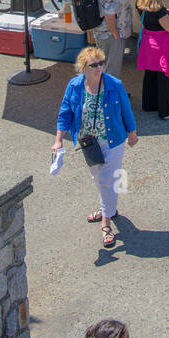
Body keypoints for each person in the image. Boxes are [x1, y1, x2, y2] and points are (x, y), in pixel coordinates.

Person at [53, 45, 139, 249]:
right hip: (88, 142)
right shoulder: (74, 86)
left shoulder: (113, 84)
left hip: (113, 140)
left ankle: (106, 223)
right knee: (98, 178)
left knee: (108, 180)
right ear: (83, 67)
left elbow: (126, 111)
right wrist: (58, 140)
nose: (99, 67)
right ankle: (107, 208)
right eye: (93, 65)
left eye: (100, 63)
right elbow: (65, 113)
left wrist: (132, 133)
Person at [93, 0, 139, 79]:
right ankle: (110, 97)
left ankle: (108, 93)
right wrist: (116, 34)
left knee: (102, 66)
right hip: (110, 34)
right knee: (111, 70)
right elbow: (109, 14)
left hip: (100, 31)